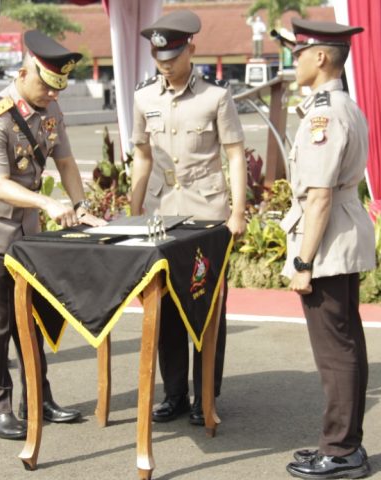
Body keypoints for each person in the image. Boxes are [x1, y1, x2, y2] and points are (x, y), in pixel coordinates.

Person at [0, 30, 106, 440]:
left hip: (26, 232)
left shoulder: (51, 108)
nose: (51, 95)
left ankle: (38, 398)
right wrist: (47, 204)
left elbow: (66, 161)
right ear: (23, 74)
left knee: (32, 319)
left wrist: (80, 206)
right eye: (46, 86)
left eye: (58, 88)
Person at [129, 9, 247, 426]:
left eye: (173, 56)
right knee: (166, 306)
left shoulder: (216, 97)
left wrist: (237, 211)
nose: (165, 64)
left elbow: (234, 155)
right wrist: (133, 209)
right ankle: (175, 393)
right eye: (158, 57)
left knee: (207, 304)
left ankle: (206, 396)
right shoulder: (144, 98)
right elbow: (142, 156)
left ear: (190, 49)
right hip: (162, 214)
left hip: (207, 215)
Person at [274, 19, 375, 479]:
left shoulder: (324, 113)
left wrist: (303, 262)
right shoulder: (339, 104)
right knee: (346, 341)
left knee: (334, 351)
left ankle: (340, 450)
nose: (294, 60)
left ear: (320, 57)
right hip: (340, 231)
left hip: (327, 240)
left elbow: (318, 196)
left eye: (298, 53)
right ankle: (344, 444)